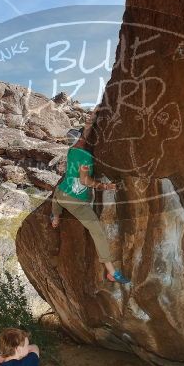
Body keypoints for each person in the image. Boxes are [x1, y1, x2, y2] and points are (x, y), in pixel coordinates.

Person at [50, 113, 131, 284]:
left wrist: (89, 123)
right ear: (79, 139)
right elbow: (85, 180)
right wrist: (106, 186)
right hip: (76, 202)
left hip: (62, 194)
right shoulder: (85, 156)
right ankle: (111, 272)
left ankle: (55, 216)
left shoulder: (72, 150)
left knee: (58, 191)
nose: (83, 136)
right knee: (97, 231)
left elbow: (83, 137)